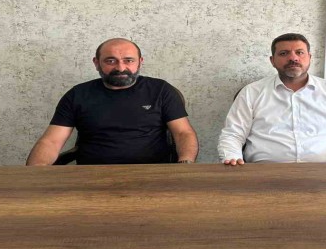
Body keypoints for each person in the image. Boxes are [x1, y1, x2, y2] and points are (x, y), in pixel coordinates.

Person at [218, 33, 326, 167]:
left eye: (299, 52)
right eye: (284, 53)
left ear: (309, 57)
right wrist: (232, 159)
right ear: (272, 61)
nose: (293, 58)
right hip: (265, 175)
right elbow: (233, 134)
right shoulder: (252, 92)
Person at [26, 38, 198, 165]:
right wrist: (35, 173)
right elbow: (51, 141)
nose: (120, 68)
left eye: (128, 60)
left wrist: (186, 162)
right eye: (110, 61)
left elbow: (183, 133)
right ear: (96, 63)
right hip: (91, 175)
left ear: (140, 62)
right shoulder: (77, 94)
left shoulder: (160, 90)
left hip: (152, 173)